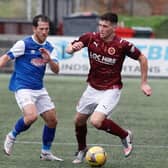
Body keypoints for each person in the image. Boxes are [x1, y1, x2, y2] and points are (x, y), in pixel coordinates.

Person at [66, 12, 152, 164]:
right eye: (100, 25)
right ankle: (82, 149)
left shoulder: (122, 45)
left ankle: (125, 135)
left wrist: (144, 82)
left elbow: (142, 58)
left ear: (114, 27)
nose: (101, 29)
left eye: (105, 26)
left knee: (96, 121)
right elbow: (68, 49)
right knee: (79, 121)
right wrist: (73, 48)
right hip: (92, 88)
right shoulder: (90, 37)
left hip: (111, 89)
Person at [0, 14, 63, 161]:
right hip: (22, 86)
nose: (44, 32)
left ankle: (46, 152)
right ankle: (11, 136)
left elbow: (56, 70)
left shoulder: (50, 48)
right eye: (41, 29)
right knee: (31, 116)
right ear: (34, 29)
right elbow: (5, 57)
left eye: (47, 29)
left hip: (39, 88)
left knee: (52, 120)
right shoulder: (24, 44)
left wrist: (49, 60)